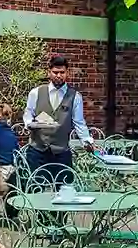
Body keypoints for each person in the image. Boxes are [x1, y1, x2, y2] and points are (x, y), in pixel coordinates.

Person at [21, 56, 90, 184]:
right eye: (55, 72)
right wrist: (29, 124)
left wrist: (87, 142)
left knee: (65, 189)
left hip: (61, 151)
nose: (59, 75)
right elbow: (28, 113)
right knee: (36, 189)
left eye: (62, 72)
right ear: (49, 72)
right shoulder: (36, 92)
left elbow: (79, 122)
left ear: (67, 73)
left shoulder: (75, 96)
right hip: (37, 150)